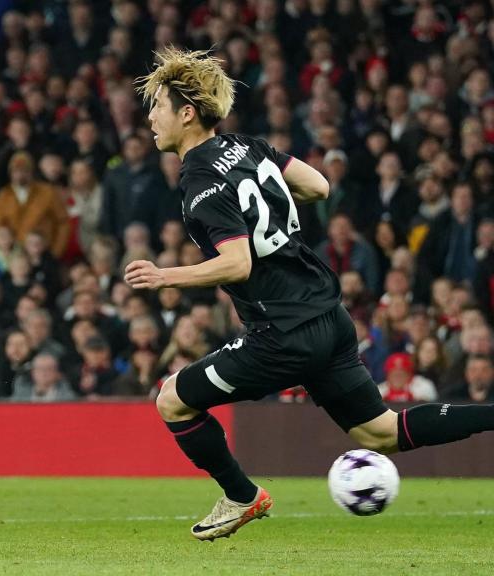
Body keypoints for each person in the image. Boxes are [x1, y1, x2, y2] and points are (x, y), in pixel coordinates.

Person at [124, 48, 494, 541]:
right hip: (328, 315)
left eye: (158, 106)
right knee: (379, 432)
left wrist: (165, 276)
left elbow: (237, 263)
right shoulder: (247, 146)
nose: (151, 117)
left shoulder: (199, 180)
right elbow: (318, 186)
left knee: (172, 400)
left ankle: (241, 496)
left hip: (281, 333)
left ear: (187, 112)